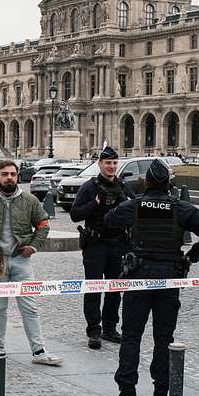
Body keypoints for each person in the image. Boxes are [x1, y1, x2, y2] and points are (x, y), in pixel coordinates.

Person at [104, 159, 199, 396]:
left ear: (145, 182)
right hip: (169, 278)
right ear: (169, 184)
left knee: (131, 337)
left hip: (139, 276)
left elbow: (110, 221)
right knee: (163, 338)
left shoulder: (134, 205)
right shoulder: (180, 208)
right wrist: (192, 256)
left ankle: (127, 394)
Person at [0, 160, 63, 366]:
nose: (9, 178)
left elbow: (43, 225)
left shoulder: (30, 200)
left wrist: (33, 247)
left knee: (29, 306)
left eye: (13, 174)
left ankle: (39, 351)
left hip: (21, 261)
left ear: (18, 176)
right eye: (5, 174)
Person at [70, 146, 130, 349]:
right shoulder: (90, 186)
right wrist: (95, 204)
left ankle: (110, 328)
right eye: (108, 163)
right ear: (100, 164)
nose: (111, 167)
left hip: (117, 244)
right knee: (94, 289)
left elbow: (134, 209)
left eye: (114, 163)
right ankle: (94, 330)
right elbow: (75, 214)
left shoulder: (122, 185)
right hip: (95, 245)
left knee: (114, 289)